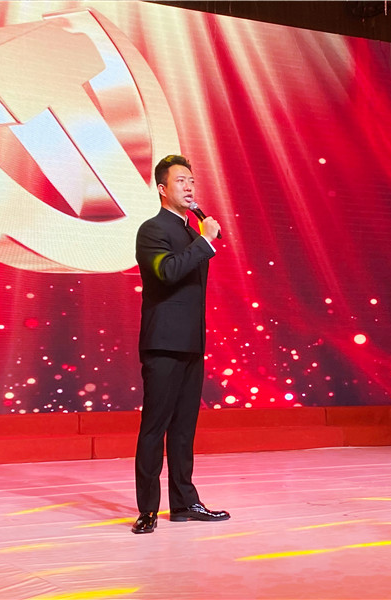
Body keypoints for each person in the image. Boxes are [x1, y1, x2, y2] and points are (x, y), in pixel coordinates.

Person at [131, 155, 230, 534]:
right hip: (163, 343)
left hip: (191, 342)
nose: (189, 187)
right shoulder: (152, 230)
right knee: (154, 427)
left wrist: (200, 238)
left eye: (191, 181)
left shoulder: (192, 233)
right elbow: (167, 272)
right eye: (180, 181)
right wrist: (204, 240)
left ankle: (185, 504)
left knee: (185, 429)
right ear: (162, 188)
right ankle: (148, 510)